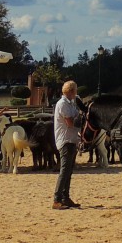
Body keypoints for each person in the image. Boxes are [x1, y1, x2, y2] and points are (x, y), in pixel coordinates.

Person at [52, 80, 80, 209]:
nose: (76, 93)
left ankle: (65, 197)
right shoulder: (63, 104)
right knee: (64, 171)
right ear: (71, 91)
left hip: (71, 139)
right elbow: (70, 122)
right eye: (75, 90)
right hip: (65, 141)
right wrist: (81, 121)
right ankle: (57, 199)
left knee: (68, 171)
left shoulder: (71, 104)